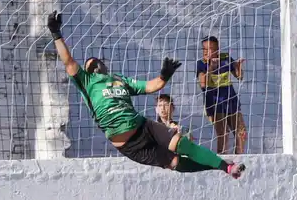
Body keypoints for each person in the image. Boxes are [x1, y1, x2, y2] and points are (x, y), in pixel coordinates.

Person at [47, 11, 244, 177]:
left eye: (96, 61)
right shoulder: (87, 82)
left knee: (181, 144)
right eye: (90, 64)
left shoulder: (119, 80)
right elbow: (69, 61)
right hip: (127, 143)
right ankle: (216, 166)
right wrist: (56, 33)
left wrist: (164, 75)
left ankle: (225, 167)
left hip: (143, 125)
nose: (94, 64)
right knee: (175, 163)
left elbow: (152, 86)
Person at [197, 36, 247, 155]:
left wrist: (239, 68)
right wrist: (211, 68)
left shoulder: (225, 58)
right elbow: (203, 84)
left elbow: (239, 76)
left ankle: (239, 158)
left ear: (217, 49)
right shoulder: (201, 63)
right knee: (223, 134)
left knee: (242, 132)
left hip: (231, 100)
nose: (206, 52)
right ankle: (223, 161)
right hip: (214, 103)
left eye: (210, 49)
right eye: (204, 49)